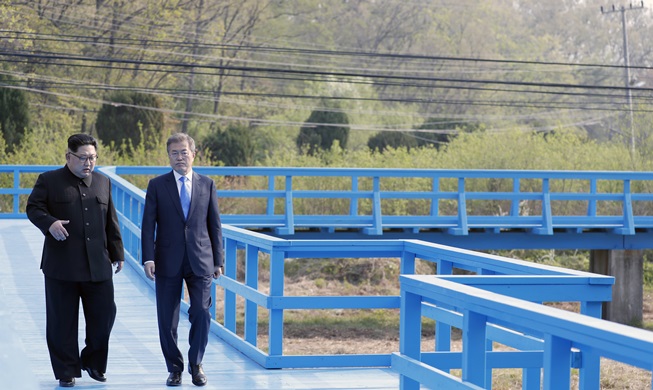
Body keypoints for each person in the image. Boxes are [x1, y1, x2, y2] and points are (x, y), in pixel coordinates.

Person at [26, 133, 124, 388]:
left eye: (92, 157)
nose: (88, 163)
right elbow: (33, 208)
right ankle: (66, 370)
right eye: (83, 158)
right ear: (69, 156)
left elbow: (110, 221)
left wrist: (117, 253)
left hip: (98, 265)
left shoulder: (103, 182)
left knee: (104, 318)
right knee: (62, 323)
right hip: (62, 266)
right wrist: (50, 223)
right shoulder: (49, 180)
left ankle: (92, 361)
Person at [141, 132, 224, 387]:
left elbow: (215, 224)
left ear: (193, 154)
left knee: (201, 311)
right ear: (169, 157)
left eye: (183, 152)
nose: (179, 157)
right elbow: (147, 225)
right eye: (174, 153)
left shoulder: (207, 184)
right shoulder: (157, 185)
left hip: (201, 259)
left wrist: (218, 260)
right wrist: (148, 258)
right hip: (166, 259)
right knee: (167, 318)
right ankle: (174, 368)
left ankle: (196, 364)